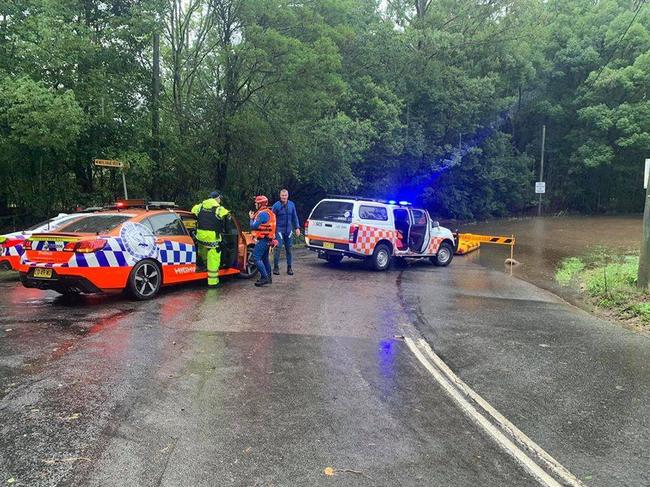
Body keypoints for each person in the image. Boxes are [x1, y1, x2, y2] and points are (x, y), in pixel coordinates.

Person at [191, 191, 230, 287]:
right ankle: (213, 282)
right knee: (214, 256)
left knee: (202, 249)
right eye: (219, 198)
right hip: (212, 237)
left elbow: (192, 210)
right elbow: (227, 215)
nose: (220, 200)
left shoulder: (200, 207)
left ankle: (204, 264)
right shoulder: (219, 209)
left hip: (200, 236)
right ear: (216, 199)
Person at [271, 189, 300, 275]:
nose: (284, 197)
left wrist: (297, 227)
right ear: (280, 196)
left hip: (289, 230)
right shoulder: (276, 206)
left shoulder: (291, 204)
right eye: (282, 195)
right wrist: (272, 231)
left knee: (289, 249)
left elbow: (295, 216)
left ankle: (289, 267)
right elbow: (272, 219)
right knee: (278, 248)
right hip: (279, 230)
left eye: (285, 195)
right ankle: (276, 267)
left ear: (288, 196)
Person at [250, 195, 277, 287]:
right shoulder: (268, 212)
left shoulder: (262, 214)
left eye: (256, 203)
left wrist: (251, 218)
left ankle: (265, 277)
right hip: (268, 239)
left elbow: (253, 226)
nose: (255, 204)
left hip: (264, 239)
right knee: (265, 259)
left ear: (260, 204)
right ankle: (268, 277)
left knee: (255, 257)